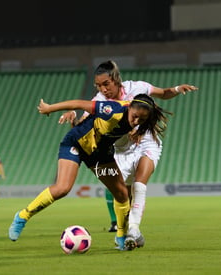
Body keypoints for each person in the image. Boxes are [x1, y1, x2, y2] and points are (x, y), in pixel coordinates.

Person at [59, 60, 198, 250]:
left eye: (105, 84)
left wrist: (176, 88)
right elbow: (84, 127)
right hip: (121, 150)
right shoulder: (98, 101)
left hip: (145, 141)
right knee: (122, 194)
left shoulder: (137, 87)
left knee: (140, 184)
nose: (103, 89)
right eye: (98, 86)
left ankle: (132, 230)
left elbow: (163, 93)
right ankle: (128, 233)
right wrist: (73, 119)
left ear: (116, 79)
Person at [8, 93, 171, 250]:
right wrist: (50, 108)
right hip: (76, 143)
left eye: (141, 120)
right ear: (130, 108)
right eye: (135, 116)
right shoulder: (112, 110)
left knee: (121, 194)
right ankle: (22, 216)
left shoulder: (139, 121)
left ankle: (120, 236)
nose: (136, 121)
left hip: (99, 154)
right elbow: (80, 104)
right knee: (63, 188)